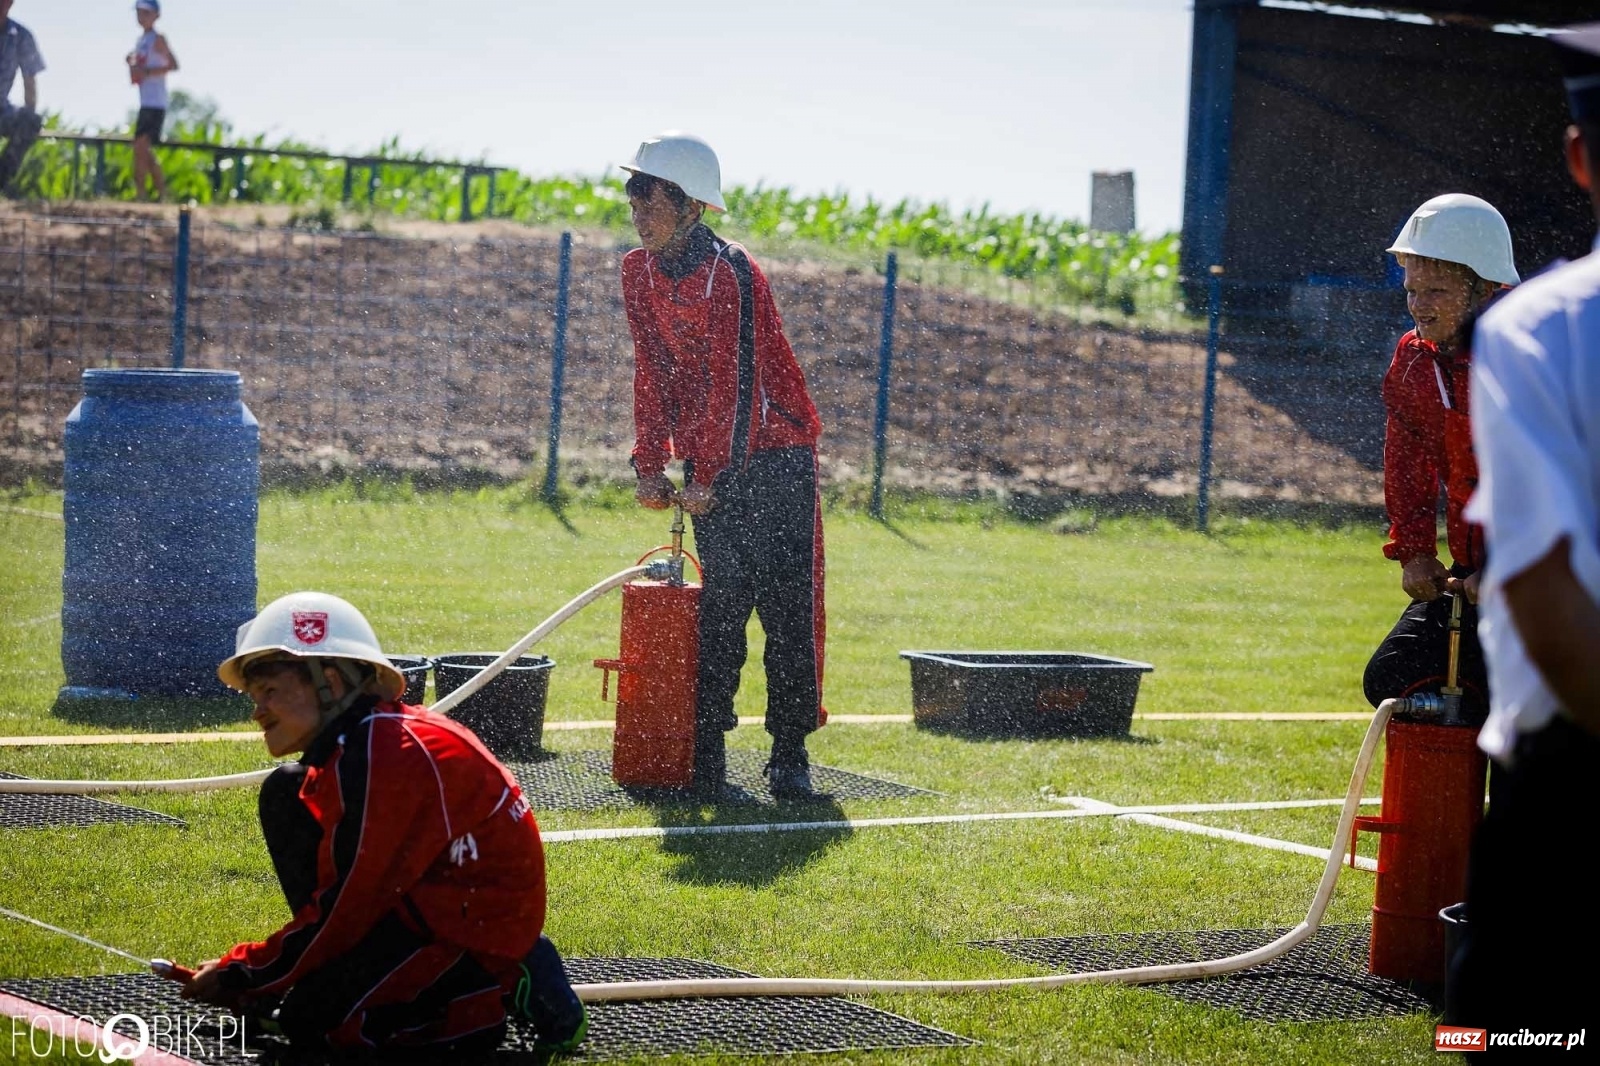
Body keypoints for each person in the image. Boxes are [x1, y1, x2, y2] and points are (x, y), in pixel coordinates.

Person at [181, 591, 587, 1055]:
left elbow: (348, 902)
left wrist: (247, 971)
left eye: (270, 692)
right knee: (285, 791)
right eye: (254, 697)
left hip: (468, 934)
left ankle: (501, 987)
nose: (258, 711)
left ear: (329, 684)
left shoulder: (387, 755)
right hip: (430, 908)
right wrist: (273, 974)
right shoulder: (366, 740)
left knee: (322, 1028)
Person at [1446, 22, 1600, 1039]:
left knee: (1512, 1033)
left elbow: (1542, 593)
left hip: (1570, 778)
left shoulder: (1536, 329)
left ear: (1579, 158)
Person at [619, 131, 826, 799]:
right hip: (718, 461)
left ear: (692, 208)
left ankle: (789, 754)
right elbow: (651, 373)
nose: (640, 208)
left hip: (778, 456)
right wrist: (651, 459)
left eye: (654, 196)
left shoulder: (731, 271)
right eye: (635, 193)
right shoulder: (637, 272)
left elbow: (736, 382)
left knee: (785, 607)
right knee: (720, 608)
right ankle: (705, 750)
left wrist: (707, 474)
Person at [1361, 193, 1520, 721]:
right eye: (1411, 289)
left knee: (1523, 716)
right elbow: (1405, 462)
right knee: (1393, 675)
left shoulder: (1528, 359)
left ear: (1485, 289)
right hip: (1475, 571)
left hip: (1550, 572)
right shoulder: (1413, 361)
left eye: (1437, 290)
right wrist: (1414, 551)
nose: (1419, 305)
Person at [126, 0, 176, 202]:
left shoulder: (158, 39)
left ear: (156, 15)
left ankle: (150, 193)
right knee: (141, 149)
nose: (141, 16)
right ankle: (152, 193)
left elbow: (173, 64)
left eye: (145, 12)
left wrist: (146, 71)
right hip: (145, 101)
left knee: (141, 148)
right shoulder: (141, 40)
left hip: (156, 103)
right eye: (139, 12)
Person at [0, 0, 44, 195]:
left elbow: (30, 80)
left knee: (30, 120)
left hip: (2, 109)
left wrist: (29, 116)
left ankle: (1, 179)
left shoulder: (21, 36)